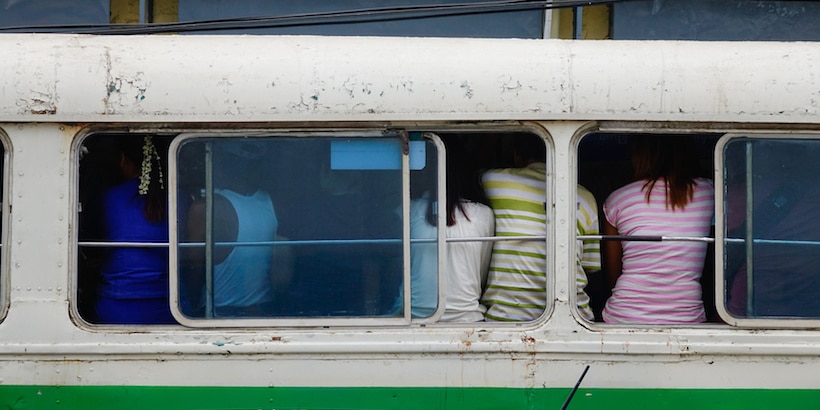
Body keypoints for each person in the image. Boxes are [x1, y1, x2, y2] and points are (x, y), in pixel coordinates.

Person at [481, 134, 601, 321]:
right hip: (575, 317)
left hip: (507, 315)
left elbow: (465, 174)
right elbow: (589, 266)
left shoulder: (493, 180)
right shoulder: (586, 197)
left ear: (516, 156)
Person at [602, 136, 714, 324]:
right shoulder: (709, 192)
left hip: (624, 316)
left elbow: (612, 275)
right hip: (685, 317)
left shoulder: (618, 198)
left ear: (639, 155)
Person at [394, 137, 495, 321]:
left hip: (414, 315)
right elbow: (480, 273)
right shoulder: (483, 215)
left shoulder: (406, 211)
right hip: (467, 318)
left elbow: (397, 266)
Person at [184, 141, 285, 317]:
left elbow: (193, 269)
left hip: (221, 314)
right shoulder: (272, 202)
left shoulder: (207, 206)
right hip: (262, 311)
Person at [95, 136, 175, 324]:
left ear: (122, 160)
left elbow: (96, 241)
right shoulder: (181, 198)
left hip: (116, 306)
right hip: (171, 308)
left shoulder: (108, 197)